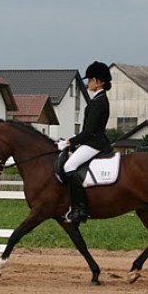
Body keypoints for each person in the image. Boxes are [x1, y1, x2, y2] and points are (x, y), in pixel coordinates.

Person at [57, 61, 112, 223]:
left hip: (94, 144)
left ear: (99, 82)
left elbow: (88, 132)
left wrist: (68, 142)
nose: (88, 83)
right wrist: (72, 144)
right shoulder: (97, 100)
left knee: (69, 166)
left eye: (91, 80)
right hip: (91, 142)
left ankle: (80, 208)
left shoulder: (99, 102)